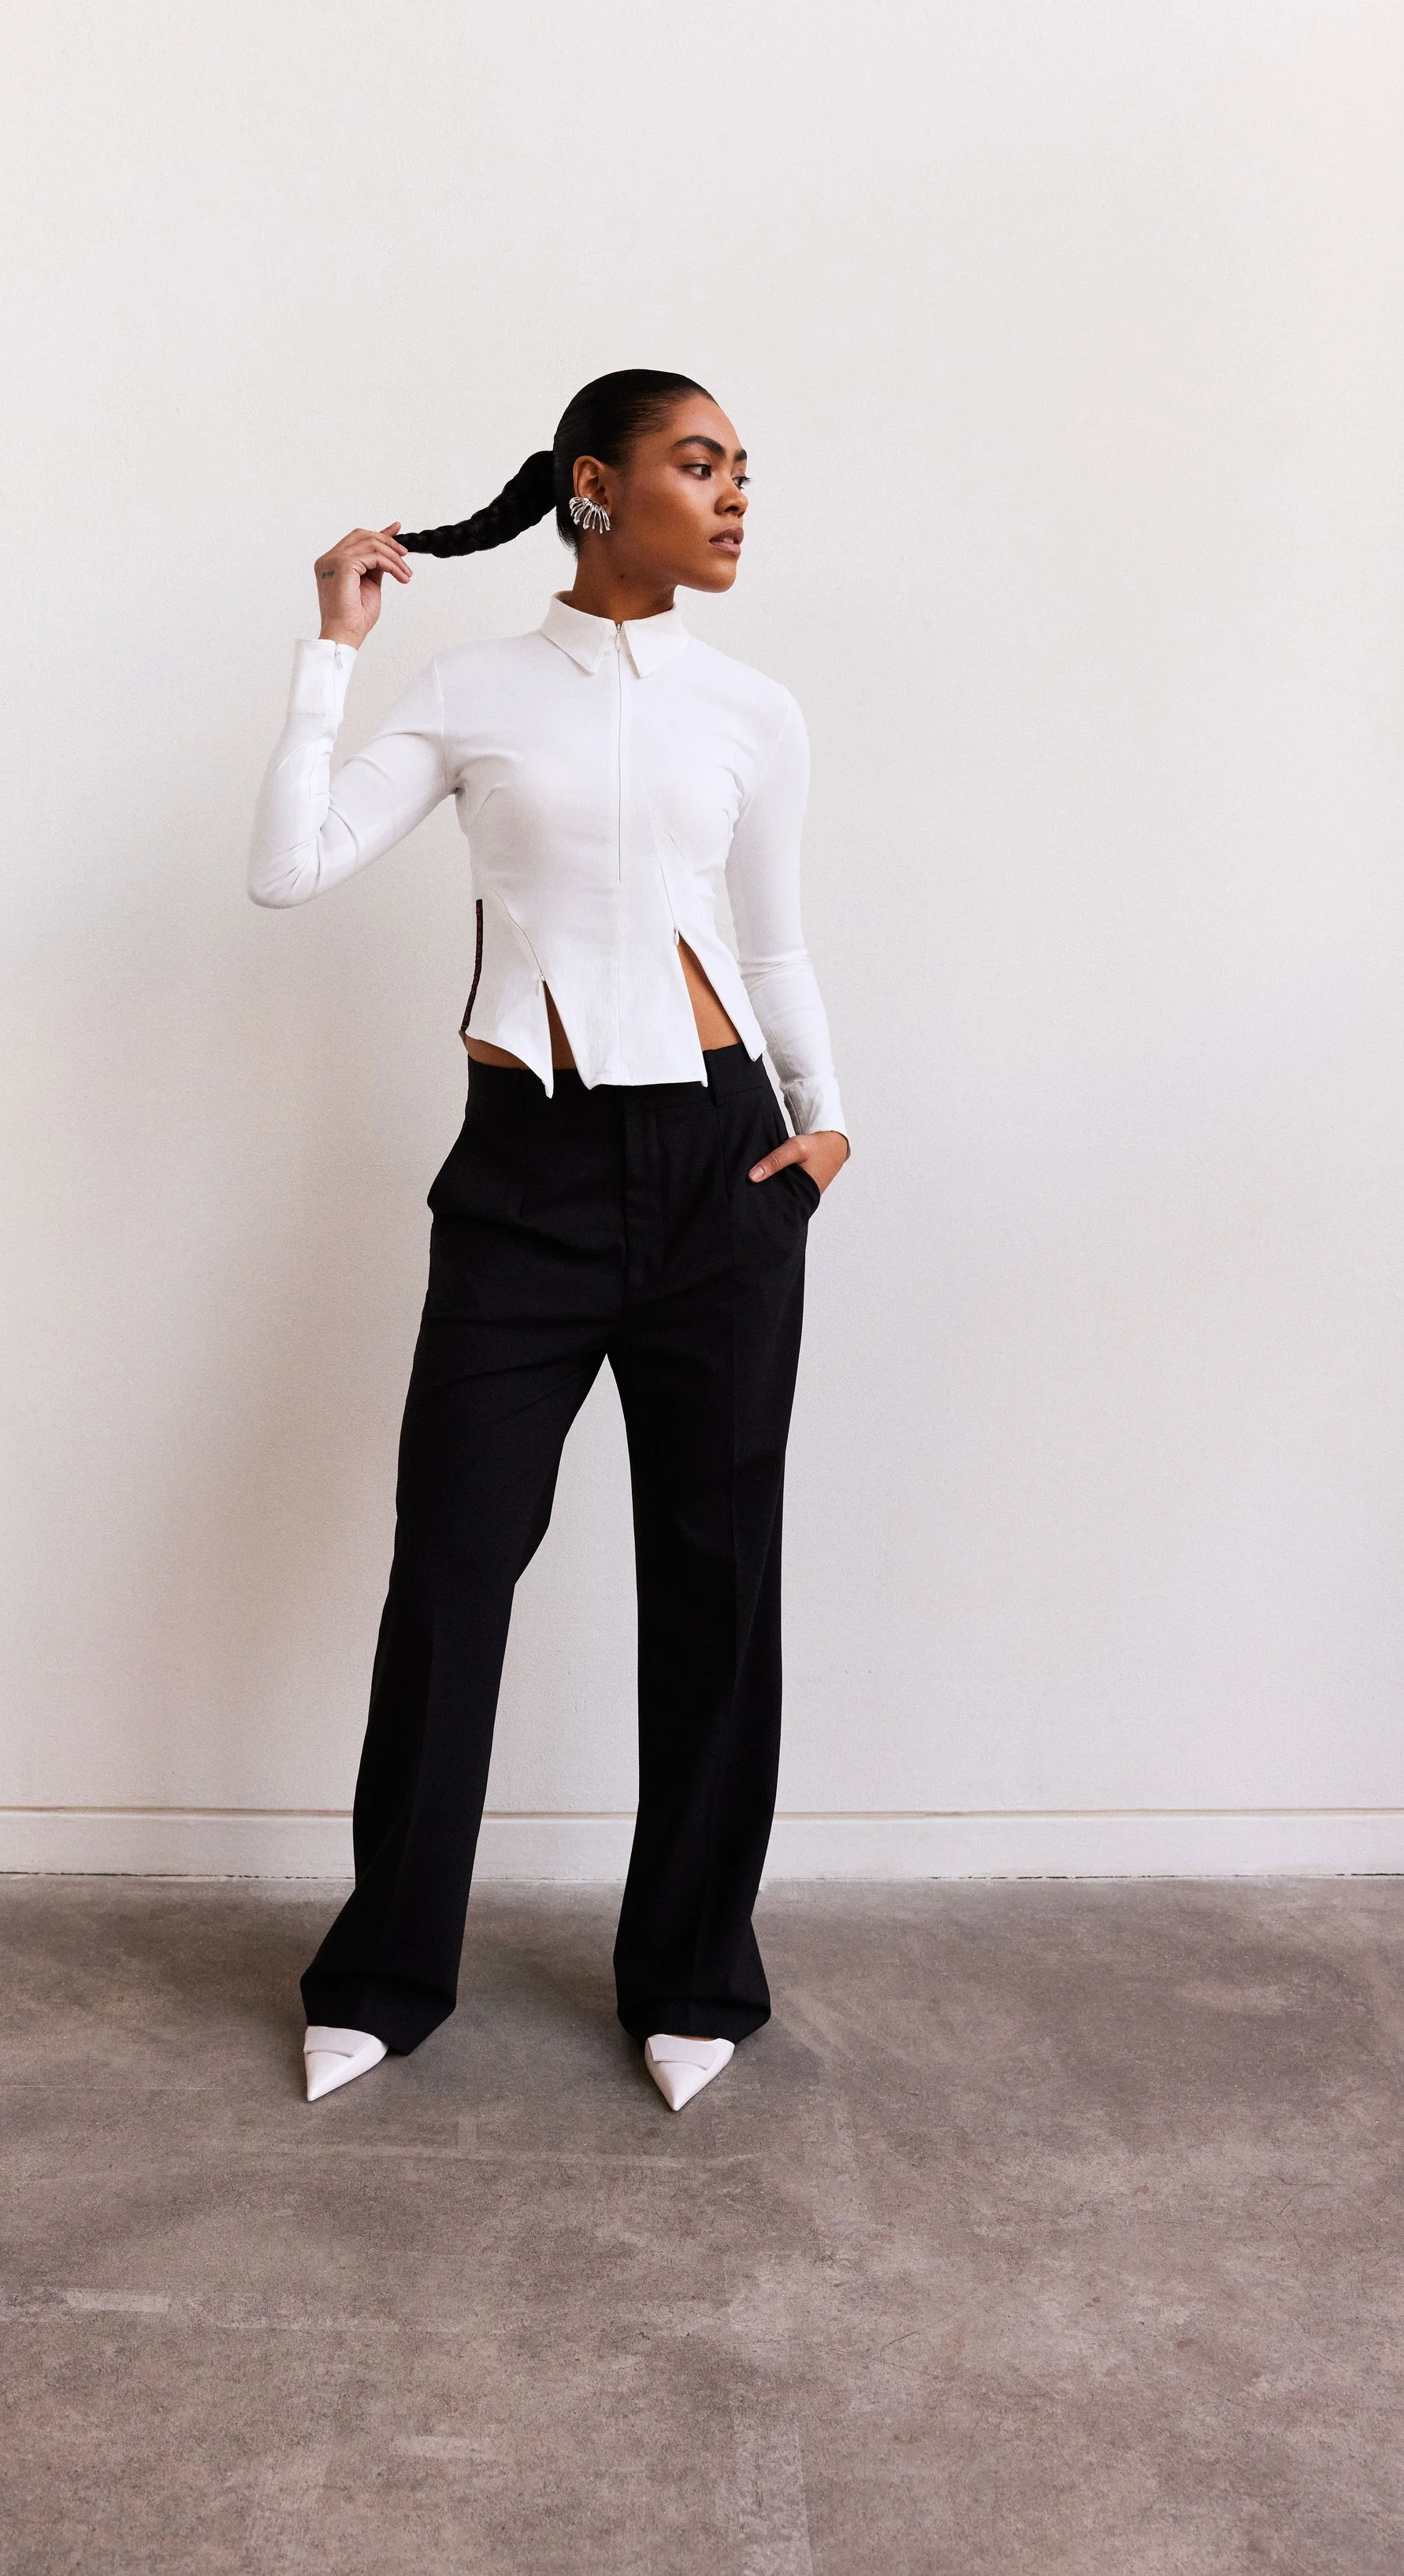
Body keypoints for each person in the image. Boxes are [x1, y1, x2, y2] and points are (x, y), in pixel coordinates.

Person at [248, 369, 849, 2114]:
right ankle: (382, 1972)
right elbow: (289, 868)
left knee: (717, 1585)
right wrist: (330, 651)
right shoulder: (474, 690)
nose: (733, 494)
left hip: (726, 1170)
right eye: (696, 463)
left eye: (742, 467)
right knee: (449, 1566)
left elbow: (779, 942)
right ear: (594, 486)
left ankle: (691, 1976)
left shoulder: (751, 709)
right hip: (524, 1178)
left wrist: (823, 1128)